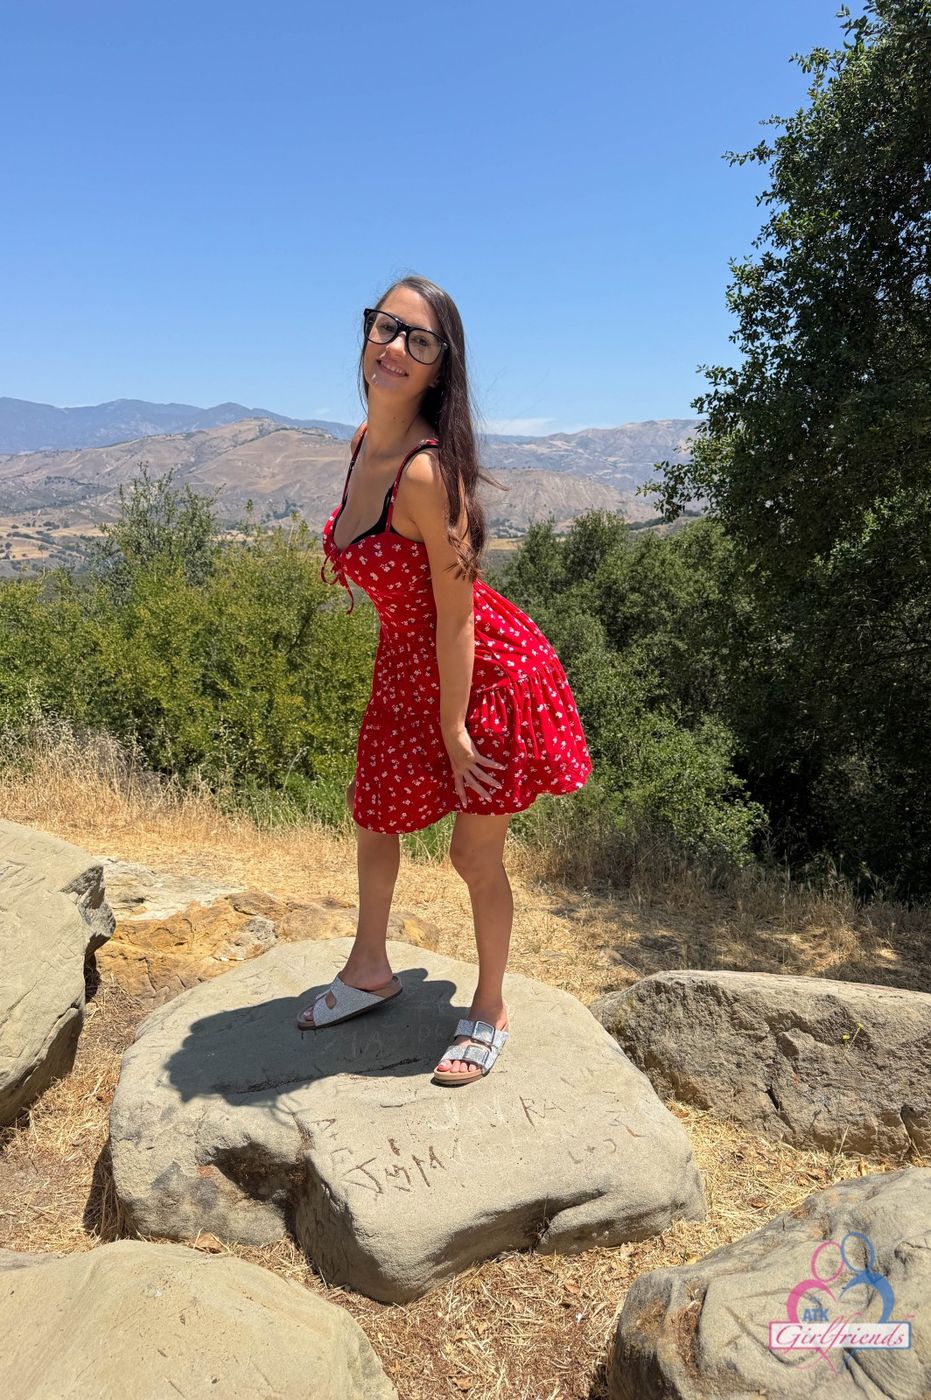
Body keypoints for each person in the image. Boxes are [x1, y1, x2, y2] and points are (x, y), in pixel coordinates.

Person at [297, 274, 593, 1085]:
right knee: (374, 815)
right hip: (405, 666)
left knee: (472, 854)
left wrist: (454, 729)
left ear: (438, 367)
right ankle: (368, 966)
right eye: (385, 327)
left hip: (487, 674)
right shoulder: (363, 444)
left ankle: (490, 1007)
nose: (394, 347)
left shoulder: (428, 474)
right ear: (366, 335)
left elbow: (458, 620)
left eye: (418, 340)